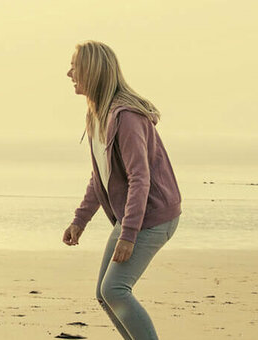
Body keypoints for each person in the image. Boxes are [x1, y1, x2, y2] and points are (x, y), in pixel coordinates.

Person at [59, 41, 183, 340]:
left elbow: (141, 178)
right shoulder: (98, 115)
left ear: (92, 71)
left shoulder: (126, 118)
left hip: (153, 217)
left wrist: (128, 235)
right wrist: (80, 220)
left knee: (115, 289)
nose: (69, 73)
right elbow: (100, 176)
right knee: (106, 294)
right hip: (134, 216)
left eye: (75, 67)